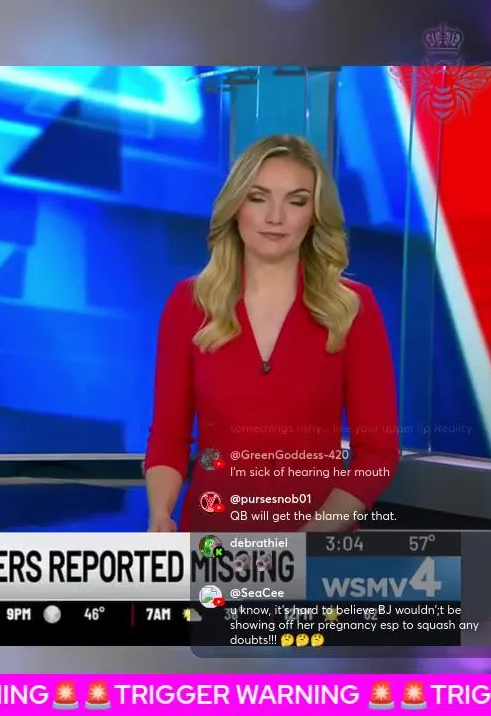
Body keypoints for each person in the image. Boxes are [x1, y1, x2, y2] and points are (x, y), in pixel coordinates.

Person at [144, 134, 399, 534]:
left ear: (314, 215)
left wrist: (307, 542)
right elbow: (168, 437)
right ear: (236, 206)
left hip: (318, 549)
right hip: (214, 544)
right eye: (258, 197)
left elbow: (377, 454)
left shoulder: (352, 308)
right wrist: (160, 515)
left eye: (296, 201)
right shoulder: (189, 304)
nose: (275, 217)